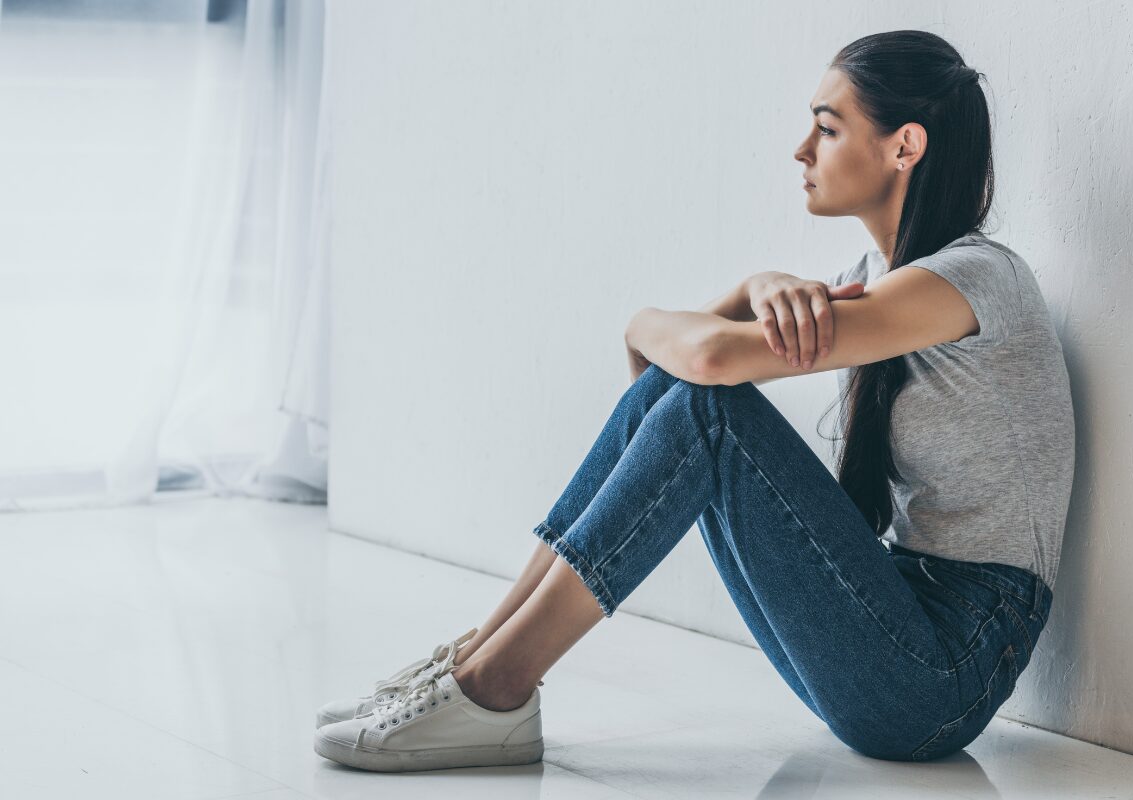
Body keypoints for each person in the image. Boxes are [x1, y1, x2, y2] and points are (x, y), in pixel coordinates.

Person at [313, 28, 1073, 772]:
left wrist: (674, 313)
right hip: (894, 631)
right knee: (678, 397)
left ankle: (496, 687)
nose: (801, 151)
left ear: (904, 146)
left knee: (710, 410)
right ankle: (476, 661)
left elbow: (705, 358)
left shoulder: (974, 278)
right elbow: (655, 372)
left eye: (826, 128)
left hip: (942, 674)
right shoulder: (867, 280)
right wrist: (749, 290)